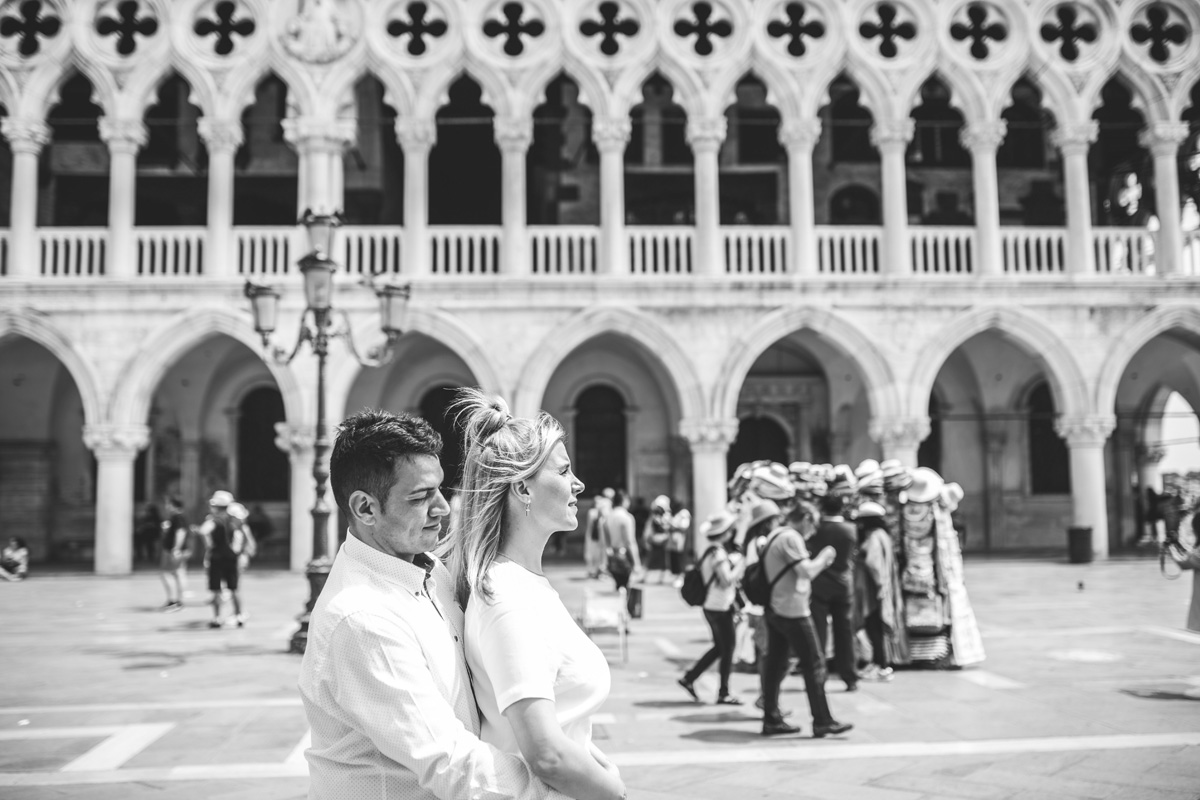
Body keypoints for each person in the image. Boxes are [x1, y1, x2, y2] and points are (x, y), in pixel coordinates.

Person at [299, 409, 571, 800]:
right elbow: (449, 761)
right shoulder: (362, 618)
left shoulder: (429, 573)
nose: (443, 508)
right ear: (365, 509)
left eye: (440, 489)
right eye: (420, 497)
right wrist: (568, 790)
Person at [447, 391, 626, 800]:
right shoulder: (507, 598)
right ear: (523, 489)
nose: (578, 484)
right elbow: (546, 754)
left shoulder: (524, 584)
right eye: (563, 472)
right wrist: (615, 793)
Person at [752, 499, 852, 739]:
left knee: (775, 665)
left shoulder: (777, 535)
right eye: (813, 524)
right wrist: (825, 558)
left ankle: (771, 718)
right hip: (792, 611)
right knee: (814, 663)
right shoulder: (790, 538)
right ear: (806, 518)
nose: (813, 531)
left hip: (777, 609)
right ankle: (822, 720)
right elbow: (806, 571)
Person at [678, 511, 745, 705]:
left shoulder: (710, 550)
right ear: (726, 533)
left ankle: (689, 678)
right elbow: (726, 581)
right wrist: (740, 565)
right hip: (719, 607)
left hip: (711, 606)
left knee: (720, 647)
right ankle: (724, 692)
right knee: (728, 649)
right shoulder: (719, 554)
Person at [807, 493, 860, 691]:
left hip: (819, 583)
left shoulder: (817, 529)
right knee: (845, 632)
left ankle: (818, 676)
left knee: (818, 633)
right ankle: (850, 676)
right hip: (843, 584)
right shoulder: (850, 529)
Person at [853, 502, 902, 680]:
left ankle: (882, 666)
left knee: (874, 628)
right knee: (875, 628)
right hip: (878, 588)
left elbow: (874, 564)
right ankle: (877, 663)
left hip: (872, 591)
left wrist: (880, 586)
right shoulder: (883, 535)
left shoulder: (873, 537)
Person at [200, 490, 245, 629]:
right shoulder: (233, 519)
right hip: (231, 557)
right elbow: (240, 535)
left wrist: (209, 545)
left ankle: (217, 618)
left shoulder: (214, 520)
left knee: (216, 589)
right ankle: (239, 616)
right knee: (234, 588)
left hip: (217, 557)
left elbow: (203, 531)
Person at [158, 496, 191, 611]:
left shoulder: (177, 517)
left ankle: (173, 600)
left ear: (173, 505)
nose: (166, 507)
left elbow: (181, 532)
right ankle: (179, 601)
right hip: (180, 550)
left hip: (174, 550)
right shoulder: (178, 517)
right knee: (179, 572)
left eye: (168, 504)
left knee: (166, 573)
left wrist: (176, 548)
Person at [605, 490, 641, 591]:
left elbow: (606, 541)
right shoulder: (627, 517)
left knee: (618, 587)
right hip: (624, 557)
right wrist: (636, 563)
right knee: (626, 589)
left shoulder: (608, 517)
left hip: (612, 556)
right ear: (624, 501)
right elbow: (630, 542)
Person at [583, 489, 614, 578]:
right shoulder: (604, 505)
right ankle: (599, 570)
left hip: (599, 535)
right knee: (599, 552)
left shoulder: (602, 506)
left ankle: (599, 570)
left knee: (600, 552)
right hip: (600, 535)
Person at [642, 496, 673, 584]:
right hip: (655, 541)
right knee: (651, 560)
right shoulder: (653, 518)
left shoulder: (666, 517)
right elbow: (648, 530)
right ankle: (647, 576)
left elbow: (668, 527)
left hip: (662, 542)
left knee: (663, 561)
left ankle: (661, 577)